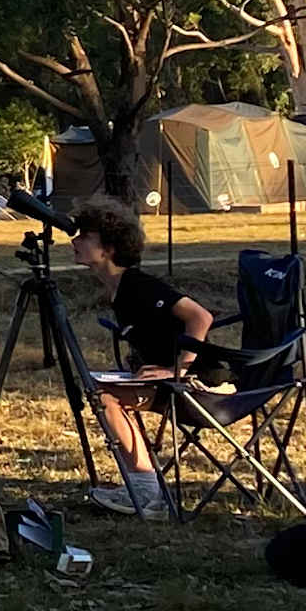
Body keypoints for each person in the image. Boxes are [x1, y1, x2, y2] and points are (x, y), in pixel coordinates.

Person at [67, 195, 211, 519]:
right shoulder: (117, 288)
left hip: (198, 383)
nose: (74, 241)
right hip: (164, 380)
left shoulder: (138, 285)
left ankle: (145, 491)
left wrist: (179, 368)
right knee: (100, 386)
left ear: (109, 248)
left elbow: (201, 318)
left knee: (103, 395)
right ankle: (143, 484)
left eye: (85, 236)